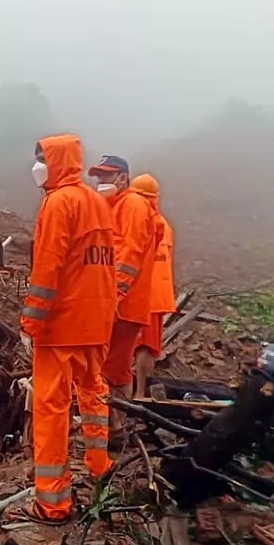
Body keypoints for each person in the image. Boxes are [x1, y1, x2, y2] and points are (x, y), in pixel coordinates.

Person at [18, 134, 117, 524]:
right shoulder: (97, 201)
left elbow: (47, 268)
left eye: (42, 158)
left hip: (61, 327)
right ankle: (99, 469)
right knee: (94, 396)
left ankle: (53, 503)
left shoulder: (58, 203)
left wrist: (30, 322)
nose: (37, 166)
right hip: (96, 322)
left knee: (51, 408)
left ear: (56, 161)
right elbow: (105, 263)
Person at [87, 155, 159, 439]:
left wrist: (115, 292)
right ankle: (116, 425)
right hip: (117, 302)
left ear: (123, 178)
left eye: (106, 176)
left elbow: (130, 253)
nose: (100, 182)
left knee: (107, 366)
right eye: (98, 176)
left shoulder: (133, 205)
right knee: (114, 366)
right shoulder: (114, 206)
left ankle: (113, 428)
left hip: (122, 304)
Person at [130, 173, 175, 399]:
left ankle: (138, 395)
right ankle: (139, 393)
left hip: (142, 293)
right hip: (156, 294)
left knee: (141, 346)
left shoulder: (141, 220)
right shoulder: (164, 224)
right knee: (145, 346)